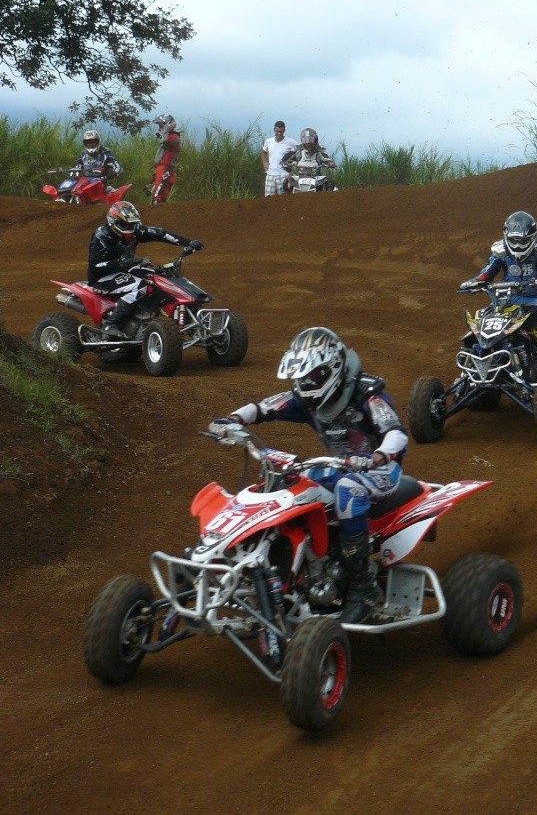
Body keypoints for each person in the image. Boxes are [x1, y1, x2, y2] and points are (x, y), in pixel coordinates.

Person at [208, 326, 408, 624]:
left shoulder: (368, 395)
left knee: (348, 491)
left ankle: (363, 587)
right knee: (289, 485)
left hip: (379, 470)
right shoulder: (306, 399)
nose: (306, 382)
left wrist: (377, 456)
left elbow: (396, 434)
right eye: (302, 376)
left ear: (334, 368)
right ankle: (293, 566)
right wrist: (233, 420)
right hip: (339, 465)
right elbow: (264, 408)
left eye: (314, 376)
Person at [460, 210, 537, 372]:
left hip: (531, 300)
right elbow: (486, 274)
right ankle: (474, 365)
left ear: (532, 237)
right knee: (479, 320)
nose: (517, 245)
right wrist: (473, 282)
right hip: (505, 301)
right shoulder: (500, 252)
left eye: (522, 240)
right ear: (506, 237)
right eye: (513, 240)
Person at [88, 201, 204, 338]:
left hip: (125, 270)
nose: (129, 229)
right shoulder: (101, 237)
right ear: (113, 222)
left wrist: (188, 243)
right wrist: (119, 263)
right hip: (101, 278)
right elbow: (94, 267)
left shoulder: (136, 231)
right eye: (125, 225)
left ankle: (153, 318)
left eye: (132, 225)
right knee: (141, 285)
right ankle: (111, 324)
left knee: (159, 277)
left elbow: (160, 234)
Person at [149, 114, 181, 205]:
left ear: (168, 125)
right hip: (161, 168)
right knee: (156, 194)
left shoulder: (174, 137)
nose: (160, 129)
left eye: (161, 126)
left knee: (158, 195)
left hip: (166, 168)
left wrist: (166, 130)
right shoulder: (168, 136)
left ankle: (157, 215)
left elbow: (165, 141)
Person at [259, 120, 297, 196]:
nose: (279, 133)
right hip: (270, 175)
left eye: (281, 131)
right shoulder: (268, 141)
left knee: (283, 200)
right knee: (268, 199)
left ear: (284, 131)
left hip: (283, 175)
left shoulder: (290, 142)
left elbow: (300, 151)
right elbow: (263, 152)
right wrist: (265, 163)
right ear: (274, 130)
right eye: (277, 131)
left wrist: (293, 169)